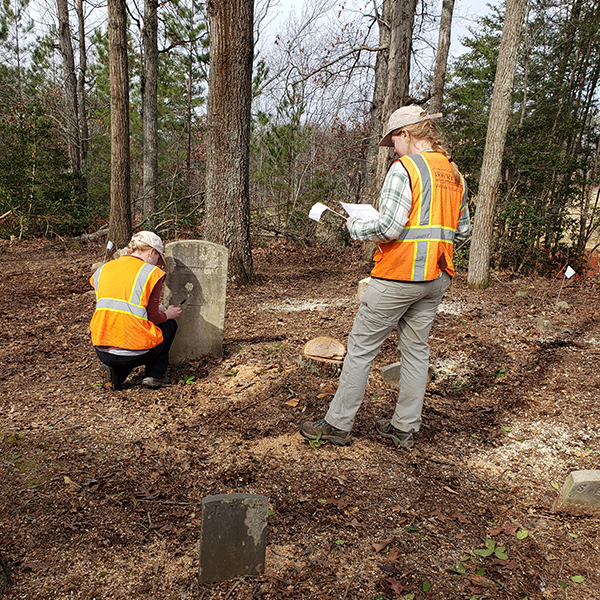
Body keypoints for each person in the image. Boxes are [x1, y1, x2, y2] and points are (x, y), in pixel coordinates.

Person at [300, 105, 470, 449]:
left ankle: (337, 424)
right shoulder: (454, 173)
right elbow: (463, 230)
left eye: (394, 140)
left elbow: (390, 227)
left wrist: (356, 226)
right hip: (436, 277)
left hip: (398, 275)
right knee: (416, 351)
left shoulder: (404, 168)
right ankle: (404, 427)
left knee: (361, 350)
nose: (393, 148)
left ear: (406, 134)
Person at [90, 231, 182, 390]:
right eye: (157, 259)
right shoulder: (152, 273)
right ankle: (154, 375)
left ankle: (115, 375)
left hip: (102, 348)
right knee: (168, 326)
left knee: (126, 342)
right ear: (151, 252)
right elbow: (153, 318)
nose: (156, 263)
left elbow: (119, 305)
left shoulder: (103, 269)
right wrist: (167, 314)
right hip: (135, 350)